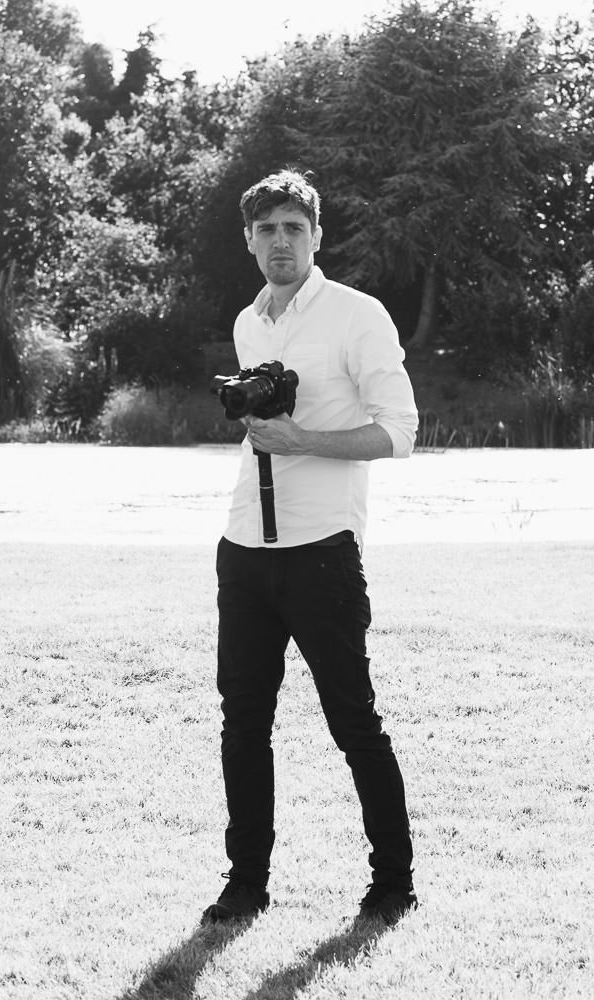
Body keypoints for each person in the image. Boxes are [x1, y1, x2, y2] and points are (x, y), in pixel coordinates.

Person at [203, 170, 420, 925]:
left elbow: (400, 431)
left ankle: (393, 881)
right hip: (242, 545)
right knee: (242, 724)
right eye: (267, 230)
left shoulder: (358, 316)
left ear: (317, 236)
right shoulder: (248, 322)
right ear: (249, 239)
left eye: (295, 228)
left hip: (321, 549)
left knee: (353, 720)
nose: (281, 242)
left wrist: (304, 441)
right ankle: (246, 882)